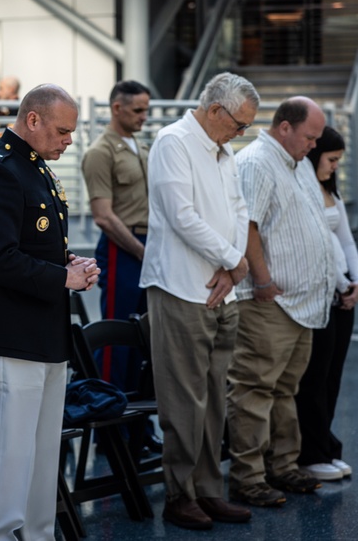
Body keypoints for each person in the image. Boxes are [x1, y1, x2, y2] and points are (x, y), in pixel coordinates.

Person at [0, 83, 99, 540]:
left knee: (43, 454)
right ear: (33, 120)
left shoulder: (36, 168)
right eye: (62, 131)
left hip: (45, 331)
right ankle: (1, 536)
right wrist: (64, 278)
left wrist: (68, 261)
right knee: (10, 453)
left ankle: (39, 534)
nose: (68, 141)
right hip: (12, 332)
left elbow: (36, 243)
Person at [139, 72, 257, 529]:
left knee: (213, 398)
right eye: (239, 124)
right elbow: (180, 215)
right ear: (214, 111)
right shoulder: (174, 142)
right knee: (183, 401)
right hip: (182, 287)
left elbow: (238, 206)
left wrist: (234, 264)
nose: (241, 132)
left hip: (222, 288)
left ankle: (210, 490)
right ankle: (179, 494)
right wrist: (233, 259)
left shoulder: (223, 149)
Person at [227, 96, 337, 505]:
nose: (314, 144)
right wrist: (262, 280)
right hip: (268, 301)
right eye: (309, 136)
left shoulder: (298, 162)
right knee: (254, 388)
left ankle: (283, 465)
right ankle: (248, 477)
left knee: (285, 388)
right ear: (285, 127)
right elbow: (248, 225)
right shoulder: (257, 162)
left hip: (299, 303)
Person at [81, 80, 151, 393]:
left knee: (143, 339)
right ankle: (113, 433)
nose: (143, 117)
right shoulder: (100, 152)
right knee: (115, 341)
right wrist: (139, 251)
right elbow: (104, 216)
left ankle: (138, 434)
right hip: (122, 249)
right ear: (116, 108)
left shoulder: (142, 148)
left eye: (146, 110)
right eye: (137, 110)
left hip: (146, 248)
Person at [296, 126, 358, 480]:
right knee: (314, 379)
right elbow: (319, 246)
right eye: (332, 159)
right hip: (320, 294)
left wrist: (355, 282)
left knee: (332, 377)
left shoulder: (327, 189)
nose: (335, 166)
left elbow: (345, 242)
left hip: (341, 294)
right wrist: (342, 283)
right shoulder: (303, 188)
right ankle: (310, 451)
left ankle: (326, 444)